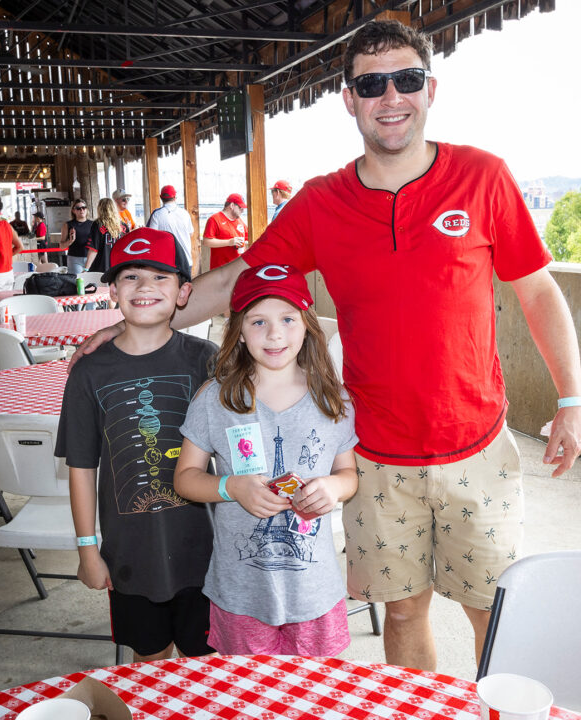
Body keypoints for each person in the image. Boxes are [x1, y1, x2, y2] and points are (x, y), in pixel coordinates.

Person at [73, 20, 581, 671]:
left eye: (405, 80)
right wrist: (143, 325)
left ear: (429, 88)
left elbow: (537, 291)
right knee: (402, 612)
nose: (390, 97)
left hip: (477, 446)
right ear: (349, 99)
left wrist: (572, 397)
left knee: (495, 612)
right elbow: (238, 278)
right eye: (371, 84)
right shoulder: (323, 202)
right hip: (372, 452)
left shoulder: (482, 177)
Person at [174, 264, 358, 655]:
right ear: (239, 331)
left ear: (307, 325)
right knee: (246, 697)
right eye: (258, 321)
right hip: (240, 594)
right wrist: (230, 487)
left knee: (313, 698)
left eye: (287, 319)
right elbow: (185, 477)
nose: (274, 334)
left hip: (315, 593)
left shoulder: (334, 399)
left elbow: (349, 474)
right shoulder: (215, 398)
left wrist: (332, 487)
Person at [55, 227, 216, 662]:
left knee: (210, 667)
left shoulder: (207, 360)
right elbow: (82, 467)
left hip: (208, 552)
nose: (145, 287)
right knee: (150, 665)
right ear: (111, 291)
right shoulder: (88, 373)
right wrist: (87, 549)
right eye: (130, 277)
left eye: (160, 276)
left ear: (184, 292)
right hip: (129, 556)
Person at [146, 185, 195, 275]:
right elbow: (190, 233)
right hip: (186, 259)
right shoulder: (184, 213)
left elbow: (150, 236)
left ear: (161, 197)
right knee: (186, 287)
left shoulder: (157, 214)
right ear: (175, 197)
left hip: (166, 261)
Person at [202, 193, 248, 270]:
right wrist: (229, 242)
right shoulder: (214, 219)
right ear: (232, 205)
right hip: (220, 269)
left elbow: (248, 237)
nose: (242, 210)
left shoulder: (239, 220)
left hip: (237, 267)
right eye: (240, 208)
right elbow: (206, 241)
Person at [85, 198, 128, 274]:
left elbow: (93, 249)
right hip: (119, 266)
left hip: (102, 267)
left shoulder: (98, 224)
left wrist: (86, 269)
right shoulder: (124, 226)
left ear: (100, 209)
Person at [59, 199, 92, 274]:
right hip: (74, 259)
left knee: (91, 282)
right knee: (77, 282)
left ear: (86, 210)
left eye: (84, 208)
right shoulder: (68, 225)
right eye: (78, 208)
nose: (81, 210)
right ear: (73, 211)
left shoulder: (93, 224)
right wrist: (70, 241)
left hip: (90, 258)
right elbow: (61, 246)